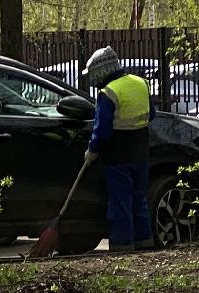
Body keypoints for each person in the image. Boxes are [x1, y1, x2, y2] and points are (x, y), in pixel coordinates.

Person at [81, 47, 154, 252]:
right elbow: (152, 114)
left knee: (120, 202)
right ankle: (144, 242)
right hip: (141, 151)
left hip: (118, 155)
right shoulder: (141, 83)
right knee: (139, 199)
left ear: (100, 72)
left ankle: (122, 245)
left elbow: (102, 130)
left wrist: (92, 150)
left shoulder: (109, 92)